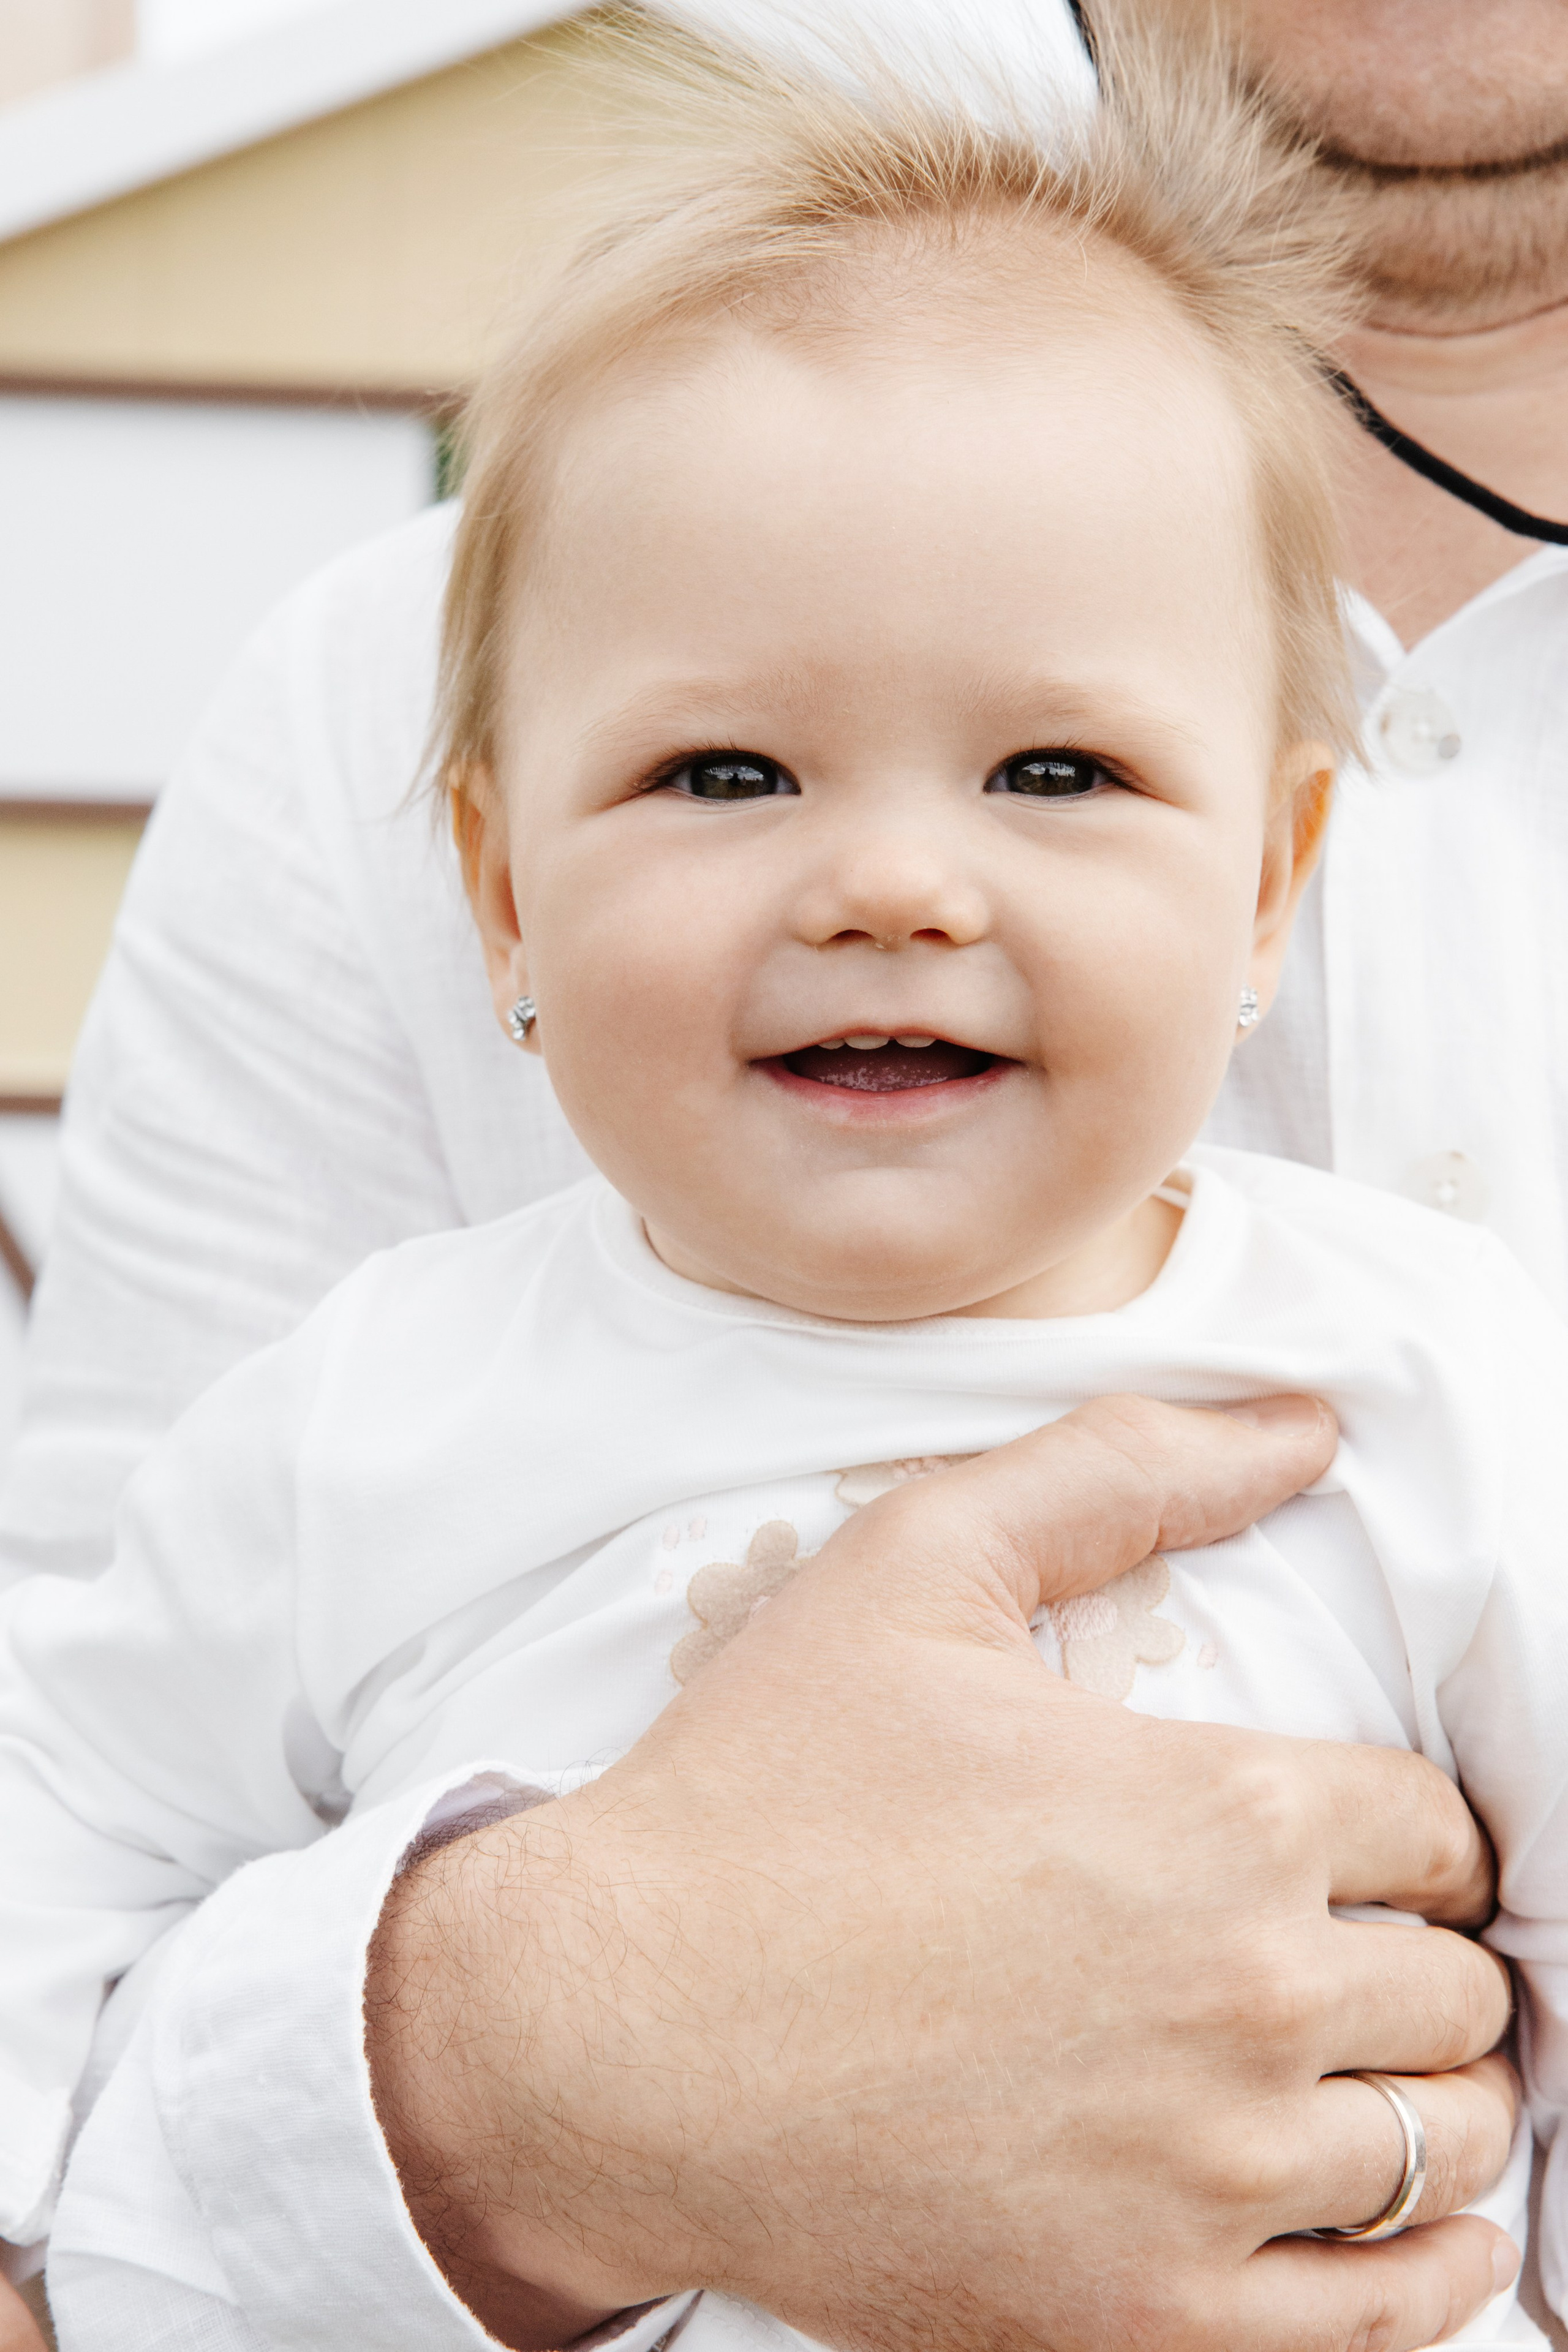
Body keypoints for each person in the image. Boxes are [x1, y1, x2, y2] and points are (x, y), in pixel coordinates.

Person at [1, 0, 1561, 2346]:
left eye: (1053, 773)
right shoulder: (365, 1415)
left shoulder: (1431, 1375)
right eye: (728, 777)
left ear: (1270, 884)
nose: (895, 889)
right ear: (496, 892)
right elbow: (63, 1830)